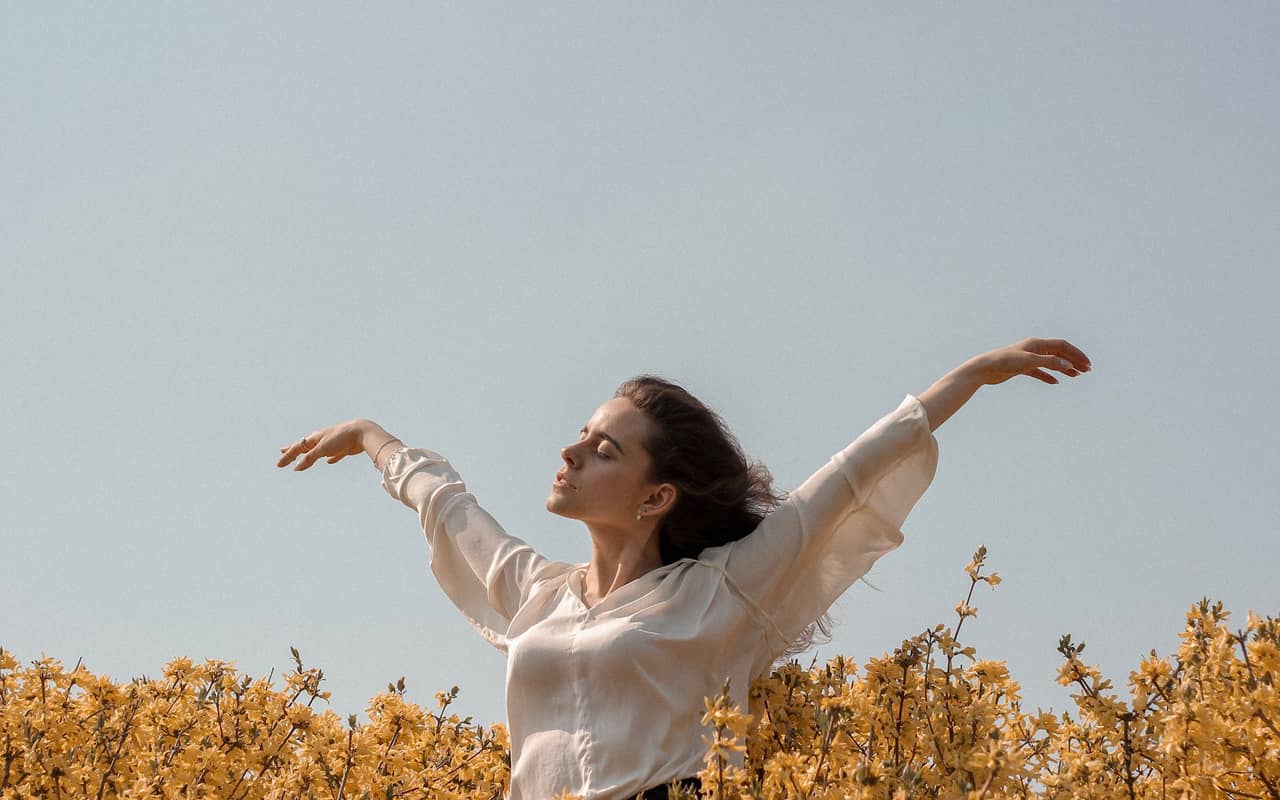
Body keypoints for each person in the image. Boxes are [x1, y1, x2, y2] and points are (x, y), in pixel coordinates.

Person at [276, 337, 1091, 800]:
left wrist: (970, 378)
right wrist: (372, 436)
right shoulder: (540, 595)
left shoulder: (718, 593)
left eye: (603, 450)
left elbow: (841, 483)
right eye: (581, 436)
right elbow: (449, 510)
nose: (570, 451)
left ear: (657, 494)